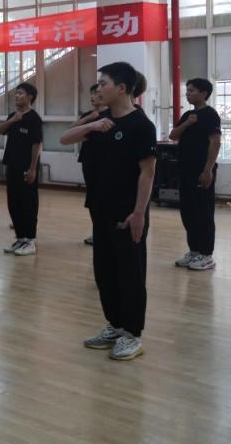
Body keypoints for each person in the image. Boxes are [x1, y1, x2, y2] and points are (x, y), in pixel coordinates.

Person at [60, 62, 155, 361]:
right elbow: (65, 138)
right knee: (105, 270)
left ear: (122, 88)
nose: (98, 88)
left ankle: (132, 334)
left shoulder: (141, 125)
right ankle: (115, 325)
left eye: (104, 84)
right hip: (100, 208)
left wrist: (138, 213)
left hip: (127, 212)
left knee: (130, 271)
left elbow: (147, 173)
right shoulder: (101, 120)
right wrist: (91, 125)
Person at [169, 77, 221, 271]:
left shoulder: (211, 115)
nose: (188, 93)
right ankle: (195, 250)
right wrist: (187, 124)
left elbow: (215, 142)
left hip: (201, 171)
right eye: (187, 90)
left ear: (204, 93)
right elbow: (173, 135)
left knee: (203, 212)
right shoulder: (188, 115)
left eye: (192, 90)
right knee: (188, 212)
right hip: (185, 170)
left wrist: (208, 170)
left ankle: (207, 255)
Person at [0, 82, 43, 256]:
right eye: (16, 93)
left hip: (26, 167)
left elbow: (37, 144)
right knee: (13, 202)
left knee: (28, 203)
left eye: (21, 93)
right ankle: (21, 237)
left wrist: (32, 169)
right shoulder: (13, 116)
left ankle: (30, 240)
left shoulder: (34, 119)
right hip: (12, 165)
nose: (16, 96)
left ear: (30, 97)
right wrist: (12, 120)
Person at [71, 84, 107, 246]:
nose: (93, 97)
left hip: (105, 162)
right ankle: (97, 231)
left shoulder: (111, 114)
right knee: (92, 198)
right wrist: (88, 119)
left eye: (96, 93)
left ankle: (105, 231)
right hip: (88, 160)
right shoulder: (88, 115)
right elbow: (71, 130)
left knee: (104, 198)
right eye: (91, 94)